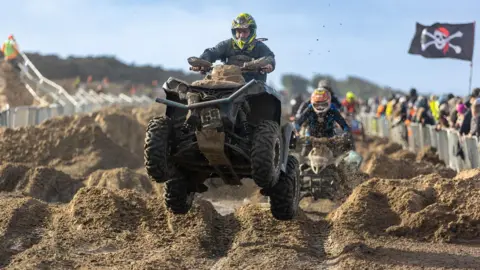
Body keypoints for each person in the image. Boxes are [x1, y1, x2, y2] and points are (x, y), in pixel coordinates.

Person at [192, 13, 274, 83]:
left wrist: (269, 65)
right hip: (227, 83)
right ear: (234, 32)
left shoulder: (259, 46)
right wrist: (200, 63)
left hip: (253, 86)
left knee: (265, 98)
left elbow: (269, 58)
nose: (241, 35)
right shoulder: (227, 44)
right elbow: (212, 52)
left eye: (245, 31)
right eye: (239, 31)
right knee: (197, 89)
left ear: (252, 31)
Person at [295, 88, 352, 157]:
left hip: (329, 138)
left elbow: (343, 124)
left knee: (338, 156)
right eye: (317, 105)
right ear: (312, 103)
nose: (320, 107)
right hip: (311, 137)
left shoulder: (333, 109)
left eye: (323, 104)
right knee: (302, 156)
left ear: (329, 102)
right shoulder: (309, 109)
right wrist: (296, 132)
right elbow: (298, 122)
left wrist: (346, 132)